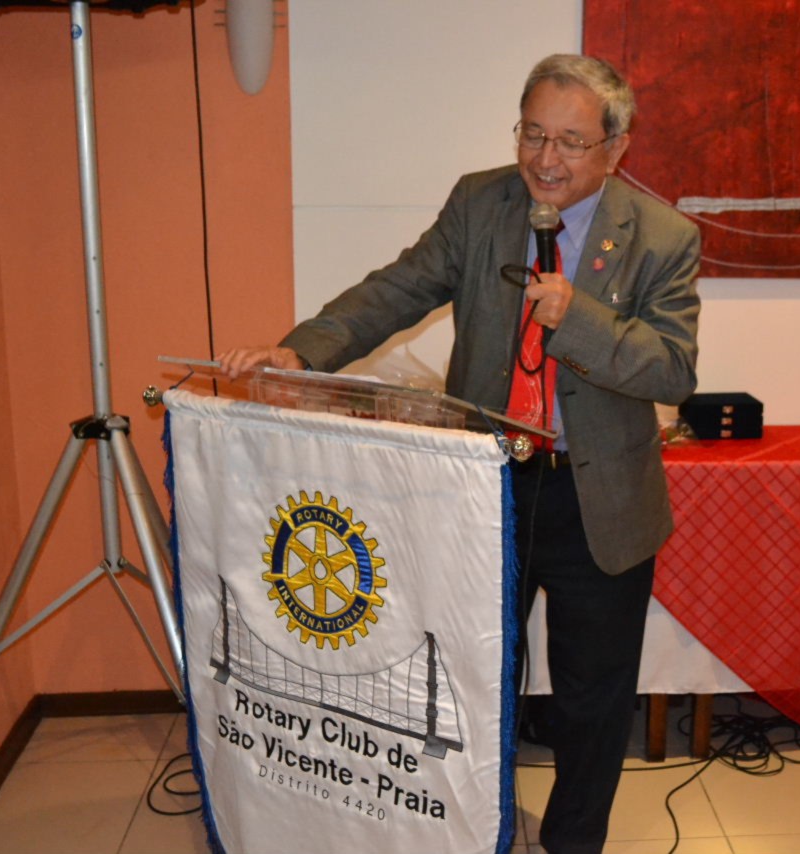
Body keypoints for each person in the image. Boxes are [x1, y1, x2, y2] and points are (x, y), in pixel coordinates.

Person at [219, 53, 700, 853]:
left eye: (571, 142)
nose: (546, 159)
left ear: (616, 148)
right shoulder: (481, 203)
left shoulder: (663, 236)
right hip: (485, 489)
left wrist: (577, 317)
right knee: (470, 686)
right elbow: (398, 289)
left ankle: (575, 842)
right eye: (533, 134)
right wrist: (302, 351)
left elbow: (673, 371)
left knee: (592, 698)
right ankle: (480, 833)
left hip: (600, 503)